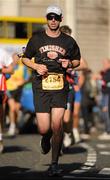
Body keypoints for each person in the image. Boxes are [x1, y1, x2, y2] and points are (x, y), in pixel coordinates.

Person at [22, 5, 81, 176]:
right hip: (41, 86)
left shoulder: (68, 41)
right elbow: (25, 58)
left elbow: (77, 60)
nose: (53, 20)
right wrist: (35, 65)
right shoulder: (36, 39)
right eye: (50, 17)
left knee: (57, 125)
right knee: (43, 128)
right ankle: (45, 138)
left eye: (56, 17)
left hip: (60, 85)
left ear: (61, 19)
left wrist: (69, 64)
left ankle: (54, 163)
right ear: (46, 19)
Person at [60, 25, 88, 147]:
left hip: (72, 86)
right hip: (56, 85)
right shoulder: (56, 48)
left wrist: (71, 65)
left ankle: (71, 132)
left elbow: (84, 65)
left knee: (72, 115)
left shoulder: (72, 48)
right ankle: (57, 138)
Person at [0, 48, 14, 153]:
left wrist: (1, 70)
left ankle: (0, 139)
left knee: (1, 115)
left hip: (0, 88)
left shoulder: (2, 52)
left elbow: (11, 70)